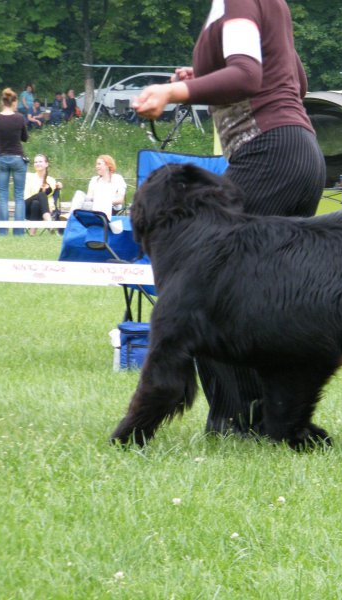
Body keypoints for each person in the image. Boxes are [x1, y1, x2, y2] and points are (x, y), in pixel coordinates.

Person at [131, 0, 326, 436]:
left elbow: (246, 76)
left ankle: (239, 420)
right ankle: (270, 418)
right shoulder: (269, 4)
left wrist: (173, 92)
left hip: (268, 152)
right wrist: (199, 81)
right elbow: (295, 79)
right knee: (264, 298)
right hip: (301, 153)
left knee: (208, 291)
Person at [0, 88, 29, 236]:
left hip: (1, 158)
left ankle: (2, 231)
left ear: (2, 102)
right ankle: (19, 231)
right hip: (18, 158)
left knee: (3, 195)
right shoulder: (19, 118)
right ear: (13, 102)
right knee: (19, 195)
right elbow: (25, 138)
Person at [24, 154, 62, 235]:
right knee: (41, 195)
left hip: (41, 209)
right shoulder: (28, 177)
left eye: (40, 161)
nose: (37, 164)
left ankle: (32, 233)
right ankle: (49, 223)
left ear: (46, 164)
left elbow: (52, 198)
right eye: (35, 162)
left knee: (36, 203)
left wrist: (59, 186)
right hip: (26, 206)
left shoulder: (51, 180)